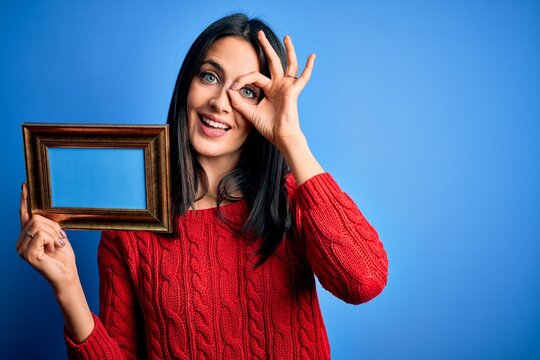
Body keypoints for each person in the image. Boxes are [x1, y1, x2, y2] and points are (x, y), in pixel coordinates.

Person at [16, 13, 388, 359]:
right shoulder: (131, 222)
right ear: (187, 84)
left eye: (247, 92)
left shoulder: (290, 198)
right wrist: (67, 286)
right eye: (209, 76)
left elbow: (364, 282)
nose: (218, 102)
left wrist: (290, 139)